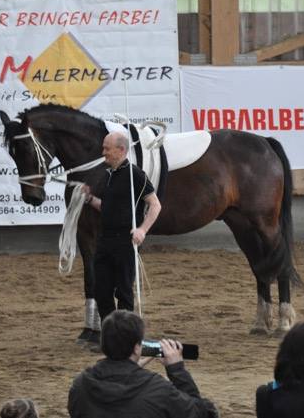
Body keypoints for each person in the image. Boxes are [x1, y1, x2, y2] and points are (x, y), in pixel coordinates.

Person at [82, 131, 162, 338]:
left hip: (125, 242)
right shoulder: (108, 175)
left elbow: (155, 205)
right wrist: (90, 199)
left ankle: (126, 337)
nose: (103, 152)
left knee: (124, 293)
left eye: (107, 149)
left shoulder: (135, 174)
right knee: (101, 291)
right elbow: (107, 207)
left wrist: (142, 230)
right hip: (104, 241)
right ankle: (110, 335)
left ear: (121, 150)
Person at [68, 310, 217, 418]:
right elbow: (204, 413)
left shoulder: (80, 385)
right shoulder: (158, 389)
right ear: (137, 347)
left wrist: (131, 370)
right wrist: (177, 370)